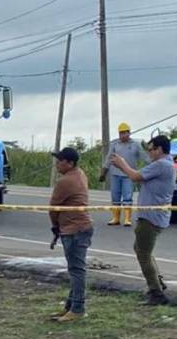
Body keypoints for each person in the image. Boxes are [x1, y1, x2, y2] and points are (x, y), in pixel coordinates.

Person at [112, 134, 176, 306]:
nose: (149, 154)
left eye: (151, 150)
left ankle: (156, 292)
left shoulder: (161, 164)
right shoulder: (166, 164)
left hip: (150, 217)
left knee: (143, 253)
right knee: (141, 249)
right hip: (153, 215)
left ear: (160, 149)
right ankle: (157, 282)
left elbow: (135, 176)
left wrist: (121, 164)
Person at [49, 147, 94, 322]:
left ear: (70, 163)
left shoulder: (65, 181)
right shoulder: (80, 174)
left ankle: (77, 308)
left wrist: (55, 226)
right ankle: (71, 306)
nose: (57, 164)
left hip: (73, 229)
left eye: (60, 161)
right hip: (80, 227)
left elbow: (53, 208)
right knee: (76, 269)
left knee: (76, 271)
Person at [101, 123, 147, 227]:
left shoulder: (135, 144)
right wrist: (104, 171)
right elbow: (109, 158)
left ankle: (127, 219)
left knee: (127, 196)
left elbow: (144, 157)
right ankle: (115, 218)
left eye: (125, 132)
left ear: (129, 133)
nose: (122, 135)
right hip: (115, 174)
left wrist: (154, 163)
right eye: (121, 133)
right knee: (115, 196)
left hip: (128, 174)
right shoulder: (115, 144)